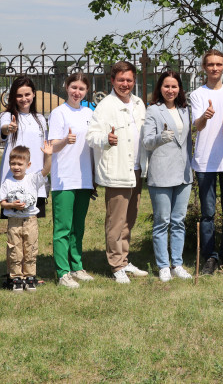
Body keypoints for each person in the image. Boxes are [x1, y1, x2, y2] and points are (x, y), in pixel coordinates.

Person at [87, 61, 149, 284]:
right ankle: (115, 265)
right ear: (112, 81)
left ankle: (124, 258)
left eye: (129, 80)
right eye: (121, 80)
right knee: (116, 220)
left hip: (135, 169)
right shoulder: (106, 106)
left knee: (129, 219)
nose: (125, 84)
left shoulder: (139, 103)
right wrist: (106, 139)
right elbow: (91, 136)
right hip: (117, 171)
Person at [143, 71, 194, 282]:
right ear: (160, 88)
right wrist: (160, 138)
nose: (170, 90)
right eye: (166, 86)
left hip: (183, 174)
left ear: (180, 89)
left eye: (174, 87)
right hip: (162, 173)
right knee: (162, 221)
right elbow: (146, 142)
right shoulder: (153, 110)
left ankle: (177, 264)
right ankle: (163, 265)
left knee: (178, 221)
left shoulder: (185, 110)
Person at [191, 50, 223, 276]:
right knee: (208, 213)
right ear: (204, 67)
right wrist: (205, 117)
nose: (215, 68)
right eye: (210, 64)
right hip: (205, 162)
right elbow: (197, 126)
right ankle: (210, 256)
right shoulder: (198, 94)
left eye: (219, 64)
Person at [48, 72, 95, 289]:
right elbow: (52, 146)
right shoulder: (58, 113)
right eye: (74, 87)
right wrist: (65, 140)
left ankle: (77, 266)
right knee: (63, 227)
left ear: (87, 91)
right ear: (66, 87)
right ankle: (62, 271)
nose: (77, 92)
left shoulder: (89, 112)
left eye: (82, 89)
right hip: (64, 178)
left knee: (78, 226)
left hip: (84, 177)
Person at [0, 142, 53, 292]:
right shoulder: (7, 182)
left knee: (30, 248)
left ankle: (29, 277)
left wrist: (48, 155)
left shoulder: (32, 179)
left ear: (28, 165)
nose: (16, 167)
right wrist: (12, 206)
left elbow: (46, 170)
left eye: (20, 164)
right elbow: (2, 203)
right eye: (13, 163)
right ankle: (16, 278)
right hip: (14, 221)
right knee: (15, 249)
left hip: (30, 220)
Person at [0, 76, 48, 218]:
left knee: (32, 225)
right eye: (19, 95)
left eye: (27, 94)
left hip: (35, 179)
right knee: (14, 226)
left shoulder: (40, 119)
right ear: (13, 97)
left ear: (33, 94)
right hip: (14, 179)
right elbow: (4, 128)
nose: (24, 99)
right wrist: (9, 128)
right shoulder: (7, 115)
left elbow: (45, 147)